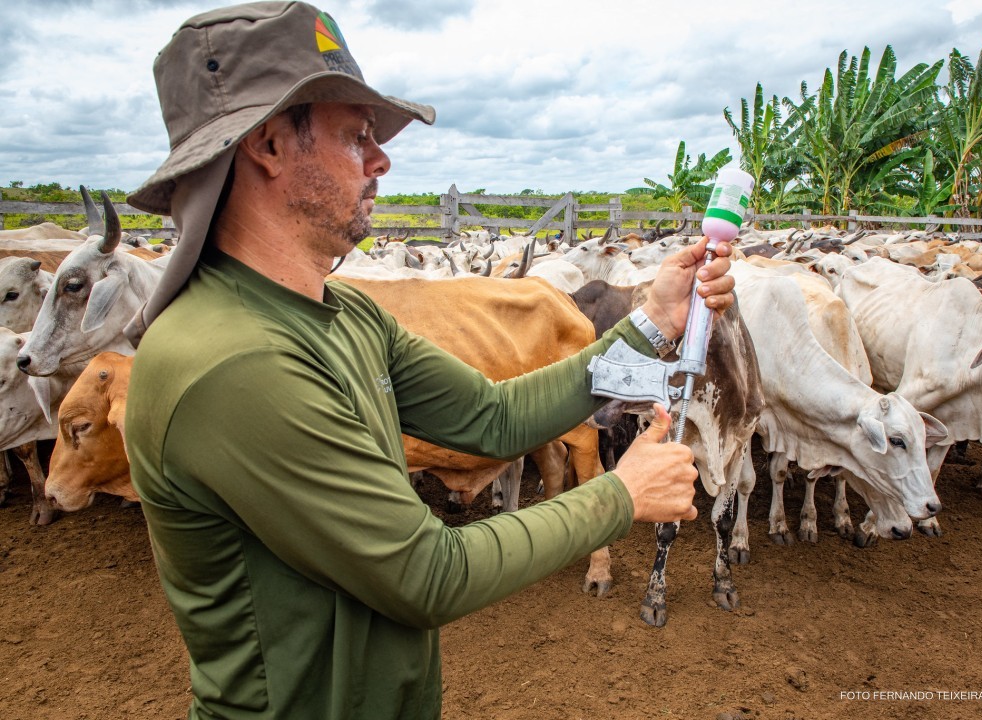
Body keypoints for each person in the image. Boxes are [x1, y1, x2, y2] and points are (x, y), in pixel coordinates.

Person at [122, 2, 737, 718]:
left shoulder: (341, 313)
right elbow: (423, 573)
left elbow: (493, 415)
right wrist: (618, 496)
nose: (381, 159)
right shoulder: (229, 361)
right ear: (267, 146)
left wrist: (654, 319)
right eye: (356, 136)